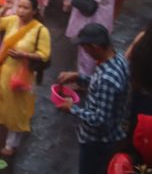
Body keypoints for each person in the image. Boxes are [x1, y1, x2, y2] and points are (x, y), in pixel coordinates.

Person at [0, 0, 51, 157]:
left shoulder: (40, 30)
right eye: (20, 7)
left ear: (34, 11)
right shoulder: (12, 20)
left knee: (17, 111)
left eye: (26, 8)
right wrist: (4, 7)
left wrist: (25, 55)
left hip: (21, 76)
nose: (21, 11)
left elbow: (44, 55)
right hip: (3, 73)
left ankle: (11, 145)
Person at [55, 23, 130, 174]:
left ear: (95, 47)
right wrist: (78, 77)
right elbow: (100, 86)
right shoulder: (118, 59)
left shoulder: (107, 79)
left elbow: (100, 120)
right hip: (111, 134)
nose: (84, 51)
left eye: (85, 47)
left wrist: (72, 108)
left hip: (98, 142)